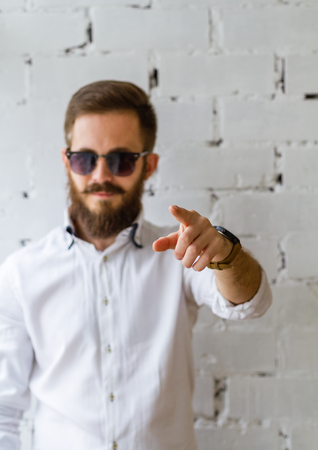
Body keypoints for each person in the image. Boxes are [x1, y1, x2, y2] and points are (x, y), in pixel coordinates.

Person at [0, 80, 272, 450]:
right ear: (67, 162)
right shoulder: (20, 274)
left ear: (148, 166)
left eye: (121, 160)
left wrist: (227, 256)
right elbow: (3, 410)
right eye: (84, 159)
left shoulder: (181, 255)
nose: (100, 176)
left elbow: (251, 304)